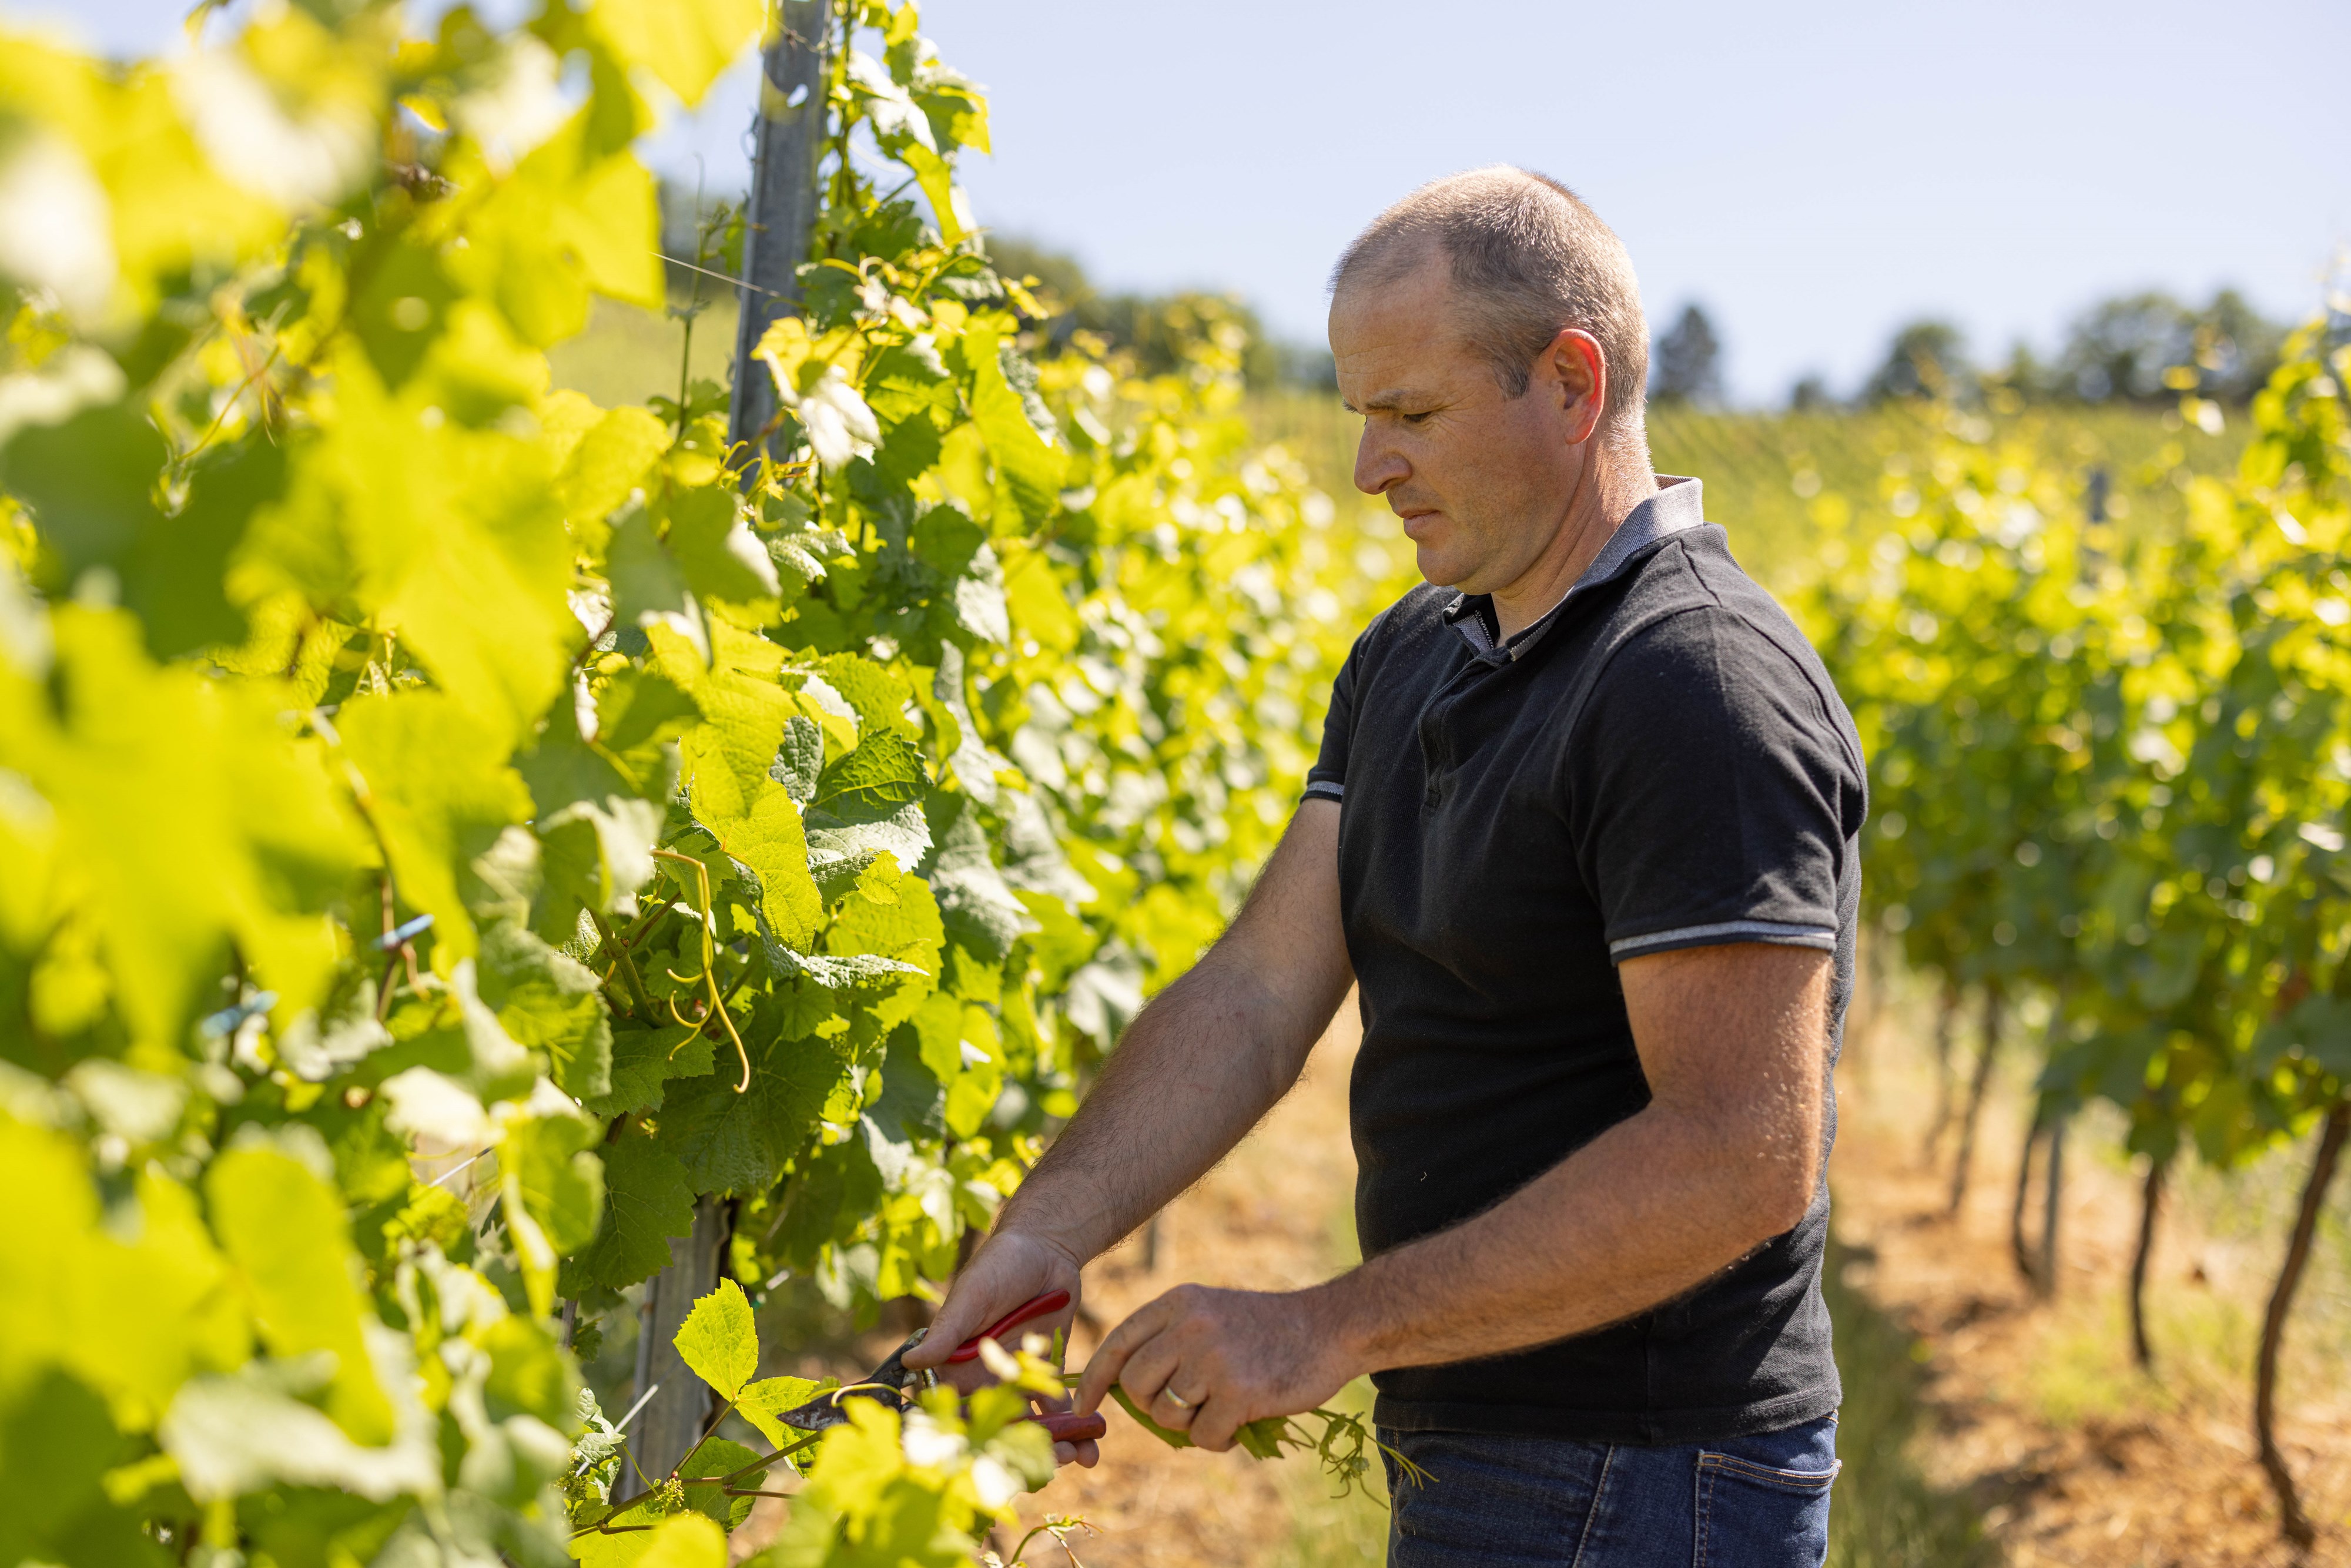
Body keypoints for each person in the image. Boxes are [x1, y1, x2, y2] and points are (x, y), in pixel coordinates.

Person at [905, 166, 1868, 1566]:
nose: (1369, 469)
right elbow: (1256, 987)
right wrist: (1046, 1233)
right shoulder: (1417, 651)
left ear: (1568, 382)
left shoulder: (1693, 682)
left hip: (1651, 1479)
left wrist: (1322, 1325)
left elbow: (1741, 1150)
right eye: (1361, 416)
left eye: (1408, 414)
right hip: (1490, 1444)